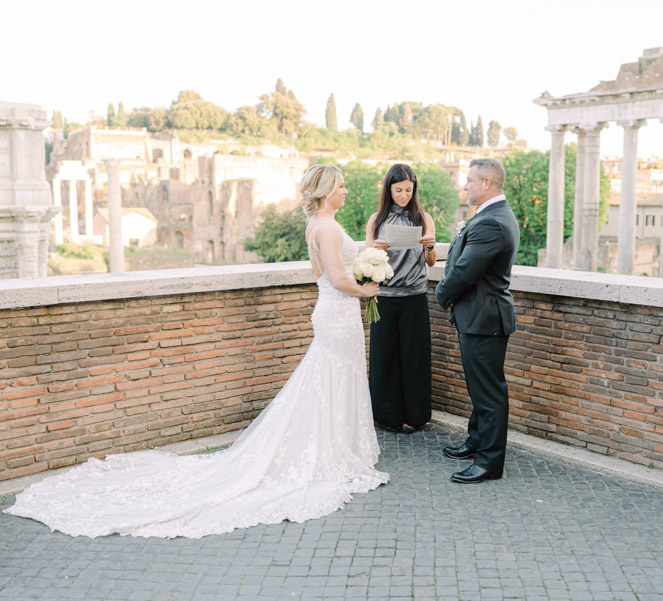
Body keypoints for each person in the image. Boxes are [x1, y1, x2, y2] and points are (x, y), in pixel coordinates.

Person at [3, 164, 389, 538]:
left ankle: (333, 446)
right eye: (340, 186)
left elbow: (324, 275)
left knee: (328, 378)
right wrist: (367, 289)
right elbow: (337, 278)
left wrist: (367, 254)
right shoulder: (327, 226)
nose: (345, 191)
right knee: (331, 378)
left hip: (332, 313)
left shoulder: (317, 225)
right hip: (337, 314)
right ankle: (329, 451)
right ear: (325, 190)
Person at [435, 158, 520, 484]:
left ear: (486, 183)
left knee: (489, 393)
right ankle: (476, 442)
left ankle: (489, 462)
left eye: (469, 180)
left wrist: (441, 293)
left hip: (484, 317)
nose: (464, 186)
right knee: (480, 387)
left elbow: (465, 271)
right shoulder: (492, 215)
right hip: (480, 316)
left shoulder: (492, 222)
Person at [365, 164, 437, 434]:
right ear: (389, 189)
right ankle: (386, 416)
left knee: (414, 357)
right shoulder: (377, 220)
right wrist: (375, 247)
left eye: (409, 190)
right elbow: (365, 261)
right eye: (398, 190)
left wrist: (430, 246)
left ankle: (415, 417)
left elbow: (431, 261)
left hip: (415, 296)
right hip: (384, 296)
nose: (404, 195)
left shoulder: (423, 218)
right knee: (385, 357)